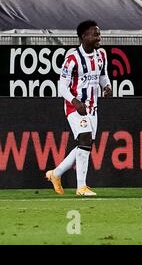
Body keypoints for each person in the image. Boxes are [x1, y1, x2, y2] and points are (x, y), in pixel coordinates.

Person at [46, 20, 112, 196]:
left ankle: (56, 173)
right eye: (95, 34)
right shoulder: (72, 58)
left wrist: (107, 87)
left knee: (86, 144)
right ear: (84, 36)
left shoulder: (101, 55)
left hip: (92, 107)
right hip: (75, 107)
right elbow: (62, 86)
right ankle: (81, 187)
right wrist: (75, 101)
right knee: (84, 139)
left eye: (99, 33)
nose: (99, 37)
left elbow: (103, 75)